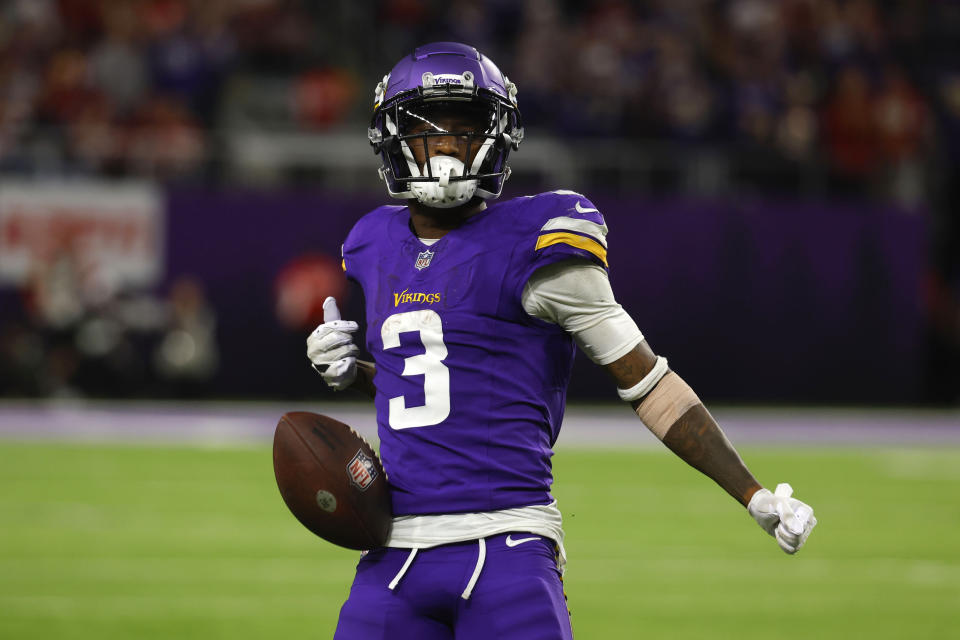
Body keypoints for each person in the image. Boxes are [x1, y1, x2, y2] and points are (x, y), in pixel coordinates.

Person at [306, 42, 817, 640]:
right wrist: (356, 370)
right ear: (390, 136)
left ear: (497, 136)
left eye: (465, 128)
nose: (447, 144)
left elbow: (648, 382)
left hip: (507, 548)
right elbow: (434, 382)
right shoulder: (372, 243)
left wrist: (751, 492)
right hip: (393, 550)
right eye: (429, 128)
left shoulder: (541, 240)